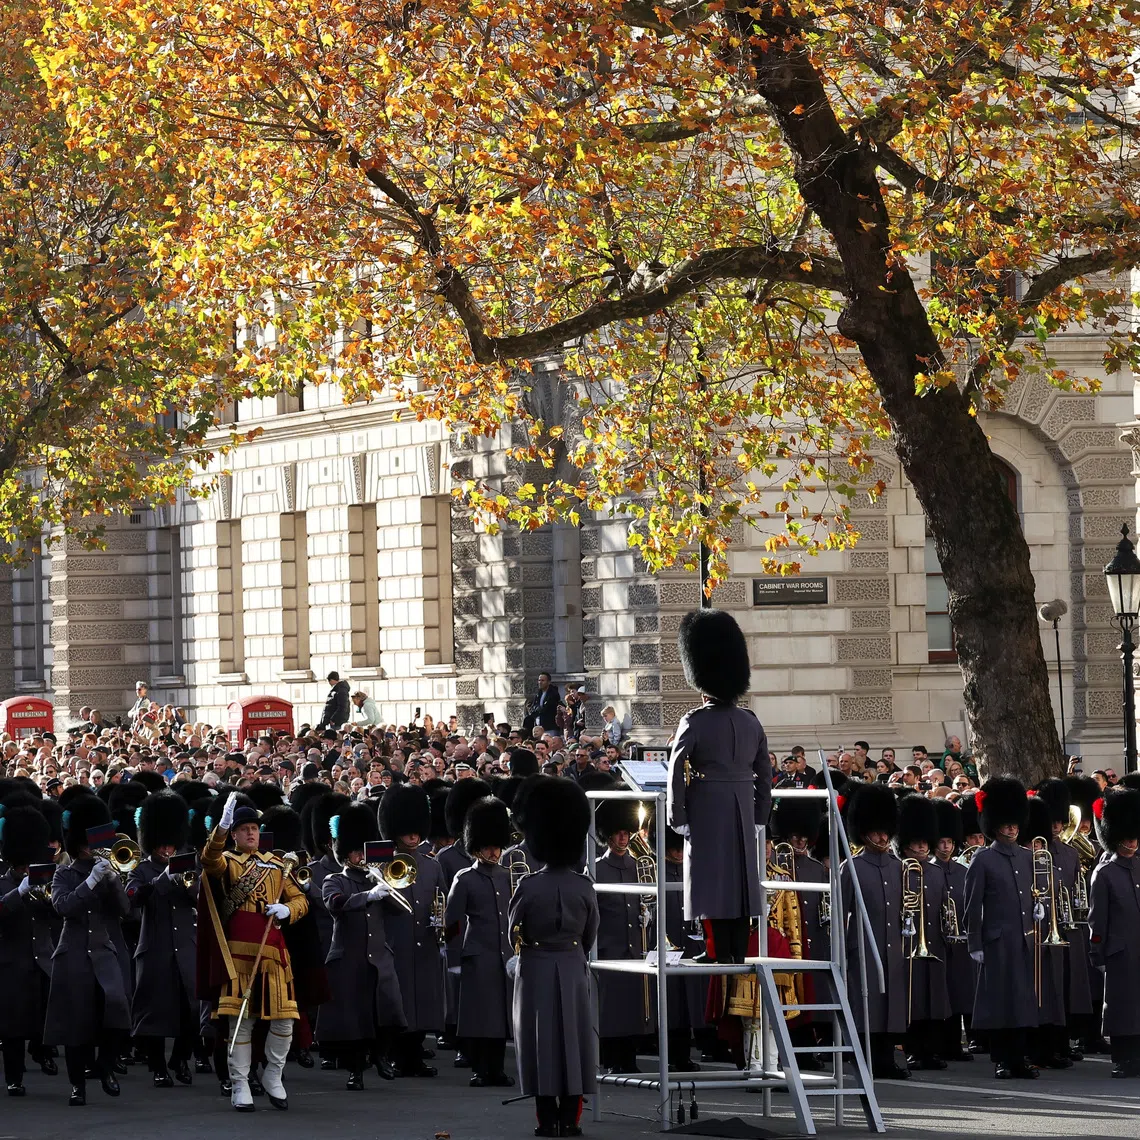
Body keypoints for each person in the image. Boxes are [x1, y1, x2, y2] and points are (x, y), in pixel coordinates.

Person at [667, 609, 771, 965]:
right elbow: (765, 772)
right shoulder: (751, 721)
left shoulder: (693, 721)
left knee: (709, 879)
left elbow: (676, 766)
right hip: (742, 804)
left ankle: (715, 951)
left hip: (707, 805)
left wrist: (676, 814)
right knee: (741, 879)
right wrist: (760, 814)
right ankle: (737, 952)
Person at [198, 792, 309, 1111]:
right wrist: (220, 828)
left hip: (273, 952)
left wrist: (288, 910)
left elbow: (301, 899)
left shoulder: (276, 865)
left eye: (254, 828)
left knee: (284, 1021)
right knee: (241, 1022)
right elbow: (208, 861)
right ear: (234, 834)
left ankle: (273, 1075)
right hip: (238, 954)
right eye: (244, 828)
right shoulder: (228, 862)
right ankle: (241, 1083)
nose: (250, 833)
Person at [509, 776, 598, 1138]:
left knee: (538, 1043)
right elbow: (590, 934)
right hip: (573, 965)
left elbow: (514, 932)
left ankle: (546, 1121)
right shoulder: (584, 886)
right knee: (575, 1043)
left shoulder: (527, 886)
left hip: (535, 966)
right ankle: (571, 1120)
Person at [43, 793, 134, 1106]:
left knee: (117, 1009)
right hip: (74, 951)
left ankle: (106, 1066)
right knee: (76, 1022)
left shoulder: (108, 869)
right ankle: (77, 1085)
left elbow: (124, 910)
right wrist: (91, 881)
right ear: (80, 842)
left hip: (104, 949)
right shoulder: (64, 874)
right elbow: (63, 907)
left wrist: (111, 881)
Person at [316, 803, 407, 1090]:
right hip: (349, 959)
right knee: (354, 1021)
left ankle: (381, 1055)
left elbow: (400, 910)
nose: (360, 855)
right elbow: (334, 903)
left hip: (379, 957)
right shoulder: (335, 879)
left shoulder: (377, 877)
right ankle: (356, 1070)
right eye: (355, 851)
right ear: (346, 853)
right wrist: (368, 894)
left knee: (389, 1012)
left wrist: (385, 886)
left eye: (362, 850)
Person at [964, 778, 1039, 1079]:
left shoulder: (1028, 858)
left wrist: (1039, 910)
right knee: (1000, 1002)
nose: (1011, 829)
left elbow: (1035, 893)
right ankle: (1003, 1059)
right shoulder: (983, 859)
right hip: (996, 940)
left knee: (1022, 1000)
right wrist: (974, 943)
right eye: (1005, 825)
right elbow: (972, 904)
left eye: (1014, 824)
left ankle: (1019, 1057)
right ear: (994, 826)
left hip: (1024, 938)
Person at [127, 791, 199, 1088]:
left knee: (192, 1008)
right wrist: (163, 878)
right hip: (155, 944)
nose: (168, 849)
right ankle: (158, 1066)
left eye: (171, 843)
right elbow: (134, 896)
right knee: (155, 1011)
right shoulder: (142, 869)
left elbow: (201, 897)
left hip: (186, 944)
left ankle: (180, 1058)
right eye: (163, 844)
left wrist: (190, 882)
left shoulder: (188, 863)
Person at [445, 796, 515, 1089]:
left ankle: (496, 1069)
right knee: (479, 1018)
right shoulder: (465, 878)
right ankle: (480, 1069)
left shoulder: (507, 876)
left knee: (500, 1018)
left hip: (503, 954)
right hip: (477, 954)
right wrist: (454, 960)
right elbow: (452, 922)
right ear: (476, 847)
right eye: (488, 846)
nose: (494, 851)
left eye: (497, 846)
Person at [378, 783, 447, 1078]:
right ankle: (395, 1054)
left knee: (422, 1001)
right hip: (396, 940)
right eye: (407, 830)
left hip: (424, 941)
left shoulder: (432, 867)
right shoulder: (382, 864)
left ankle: (414, 1055)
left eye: (416, 830)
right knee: (399, 1000)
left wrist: (442, 927)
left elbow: (441, 900)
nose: (413, 835)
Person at [842, 782, 908, 1078]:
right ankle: (864, 1059)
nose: (882, 837)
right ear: (864, 832)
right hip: (863, 946)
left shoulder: (898, 867)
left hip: (892, 944)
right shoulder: (851, 867)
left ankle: (885, 1059)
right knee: (865, 1005)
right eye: (876, 831)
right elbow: (840, 912)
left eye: (885, 831)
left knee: (890, 1005)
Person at [0, 804, 60, 1097]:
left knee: (44, 1018)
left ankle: (43, 1051)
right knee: (12, 1027)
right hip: (12, 962)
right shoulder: (2, 882)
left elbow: (58, 914)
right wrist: (19, 891)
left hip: (43, 960)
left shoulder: (46, 879)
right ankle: (14, 1077)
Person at [593, 798, 653, 1073]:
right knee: (611, 1008)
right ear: (608, 835)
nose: (623, 837)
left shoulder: (639, 866)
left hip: (635, 947)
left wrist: (648, 916)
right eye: (618, 832)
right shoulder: (597, 868)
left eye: (627, 832)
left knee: (632, 1008)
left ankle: (628, 1058)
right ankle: (612, 1058)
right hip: (609, 946)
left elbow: (648, 901)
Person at [1035, 778, 1092, 1065]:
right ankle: (1047, 1045)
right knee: (1048, 990)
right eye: (1052, 821)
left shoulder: (1070, 853)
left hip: (1067, 928)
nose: (1056, 826)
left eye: (1059, 821)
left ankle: (1064, 1041)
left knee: (1068, 988)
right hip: (1043, 928)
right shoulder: (1033, 853)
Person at [896, 795, 951, 1070]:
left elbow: (942, 905)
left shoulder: (936, 872)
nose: (921, 846)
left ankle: (931, 1050)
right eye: (916, 842)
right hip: (909, 944)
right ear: (905, 843)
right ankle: (913, 1050)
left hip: (933, 941)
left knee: (934, 1000)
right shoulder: (899, 870)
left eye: (924, 841)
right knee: (913, 1000)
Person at [1088, 787, 1140, 1078]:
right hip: (1119, 949)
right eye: (1127, 838)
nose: (1132, 843)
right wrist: (1098, 951)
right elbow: (1098, 919)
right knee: (1121, 1005)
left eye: (1135, 837)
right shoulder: (1104, 873)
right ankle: (1123, 1057)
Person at [931, 797, 973, 1062]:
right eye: (942, 842)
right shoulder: (928, 870)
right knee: (939, 993)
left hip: (958, 942)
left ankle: (954, 1044)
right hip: (936, 940)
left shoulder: (962, 871)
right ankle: (939, 1043)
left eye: (949, 842)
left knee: (959, 992)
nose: (946, 847)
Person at [522, 673, 561, 738]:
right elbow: (534, 706)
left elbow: (546, 708)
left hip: (549, 727)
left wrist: (538, 709)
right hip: (538, 725)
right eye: (539, 680)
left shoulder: (553, 694)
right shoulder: (539, 693)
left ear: (548, 682)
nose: (540, 682)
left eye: (543, 680)